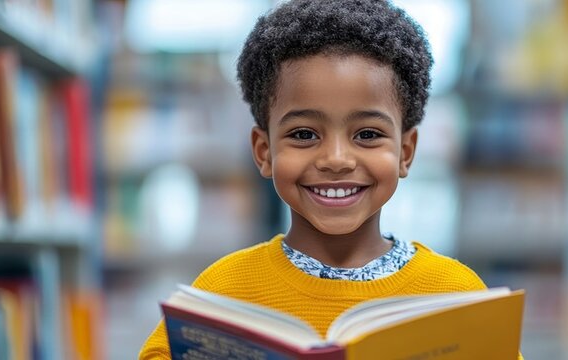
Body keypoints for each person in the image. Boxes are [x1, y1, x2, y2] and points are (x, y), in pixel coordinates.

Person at [139, 1, 523, 359]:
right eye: (304, 134)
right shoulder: (221, 293)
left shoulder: (457, 295)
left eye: (368, 134)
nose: (336, 160)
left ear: (406, 152)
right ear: (264, 151)